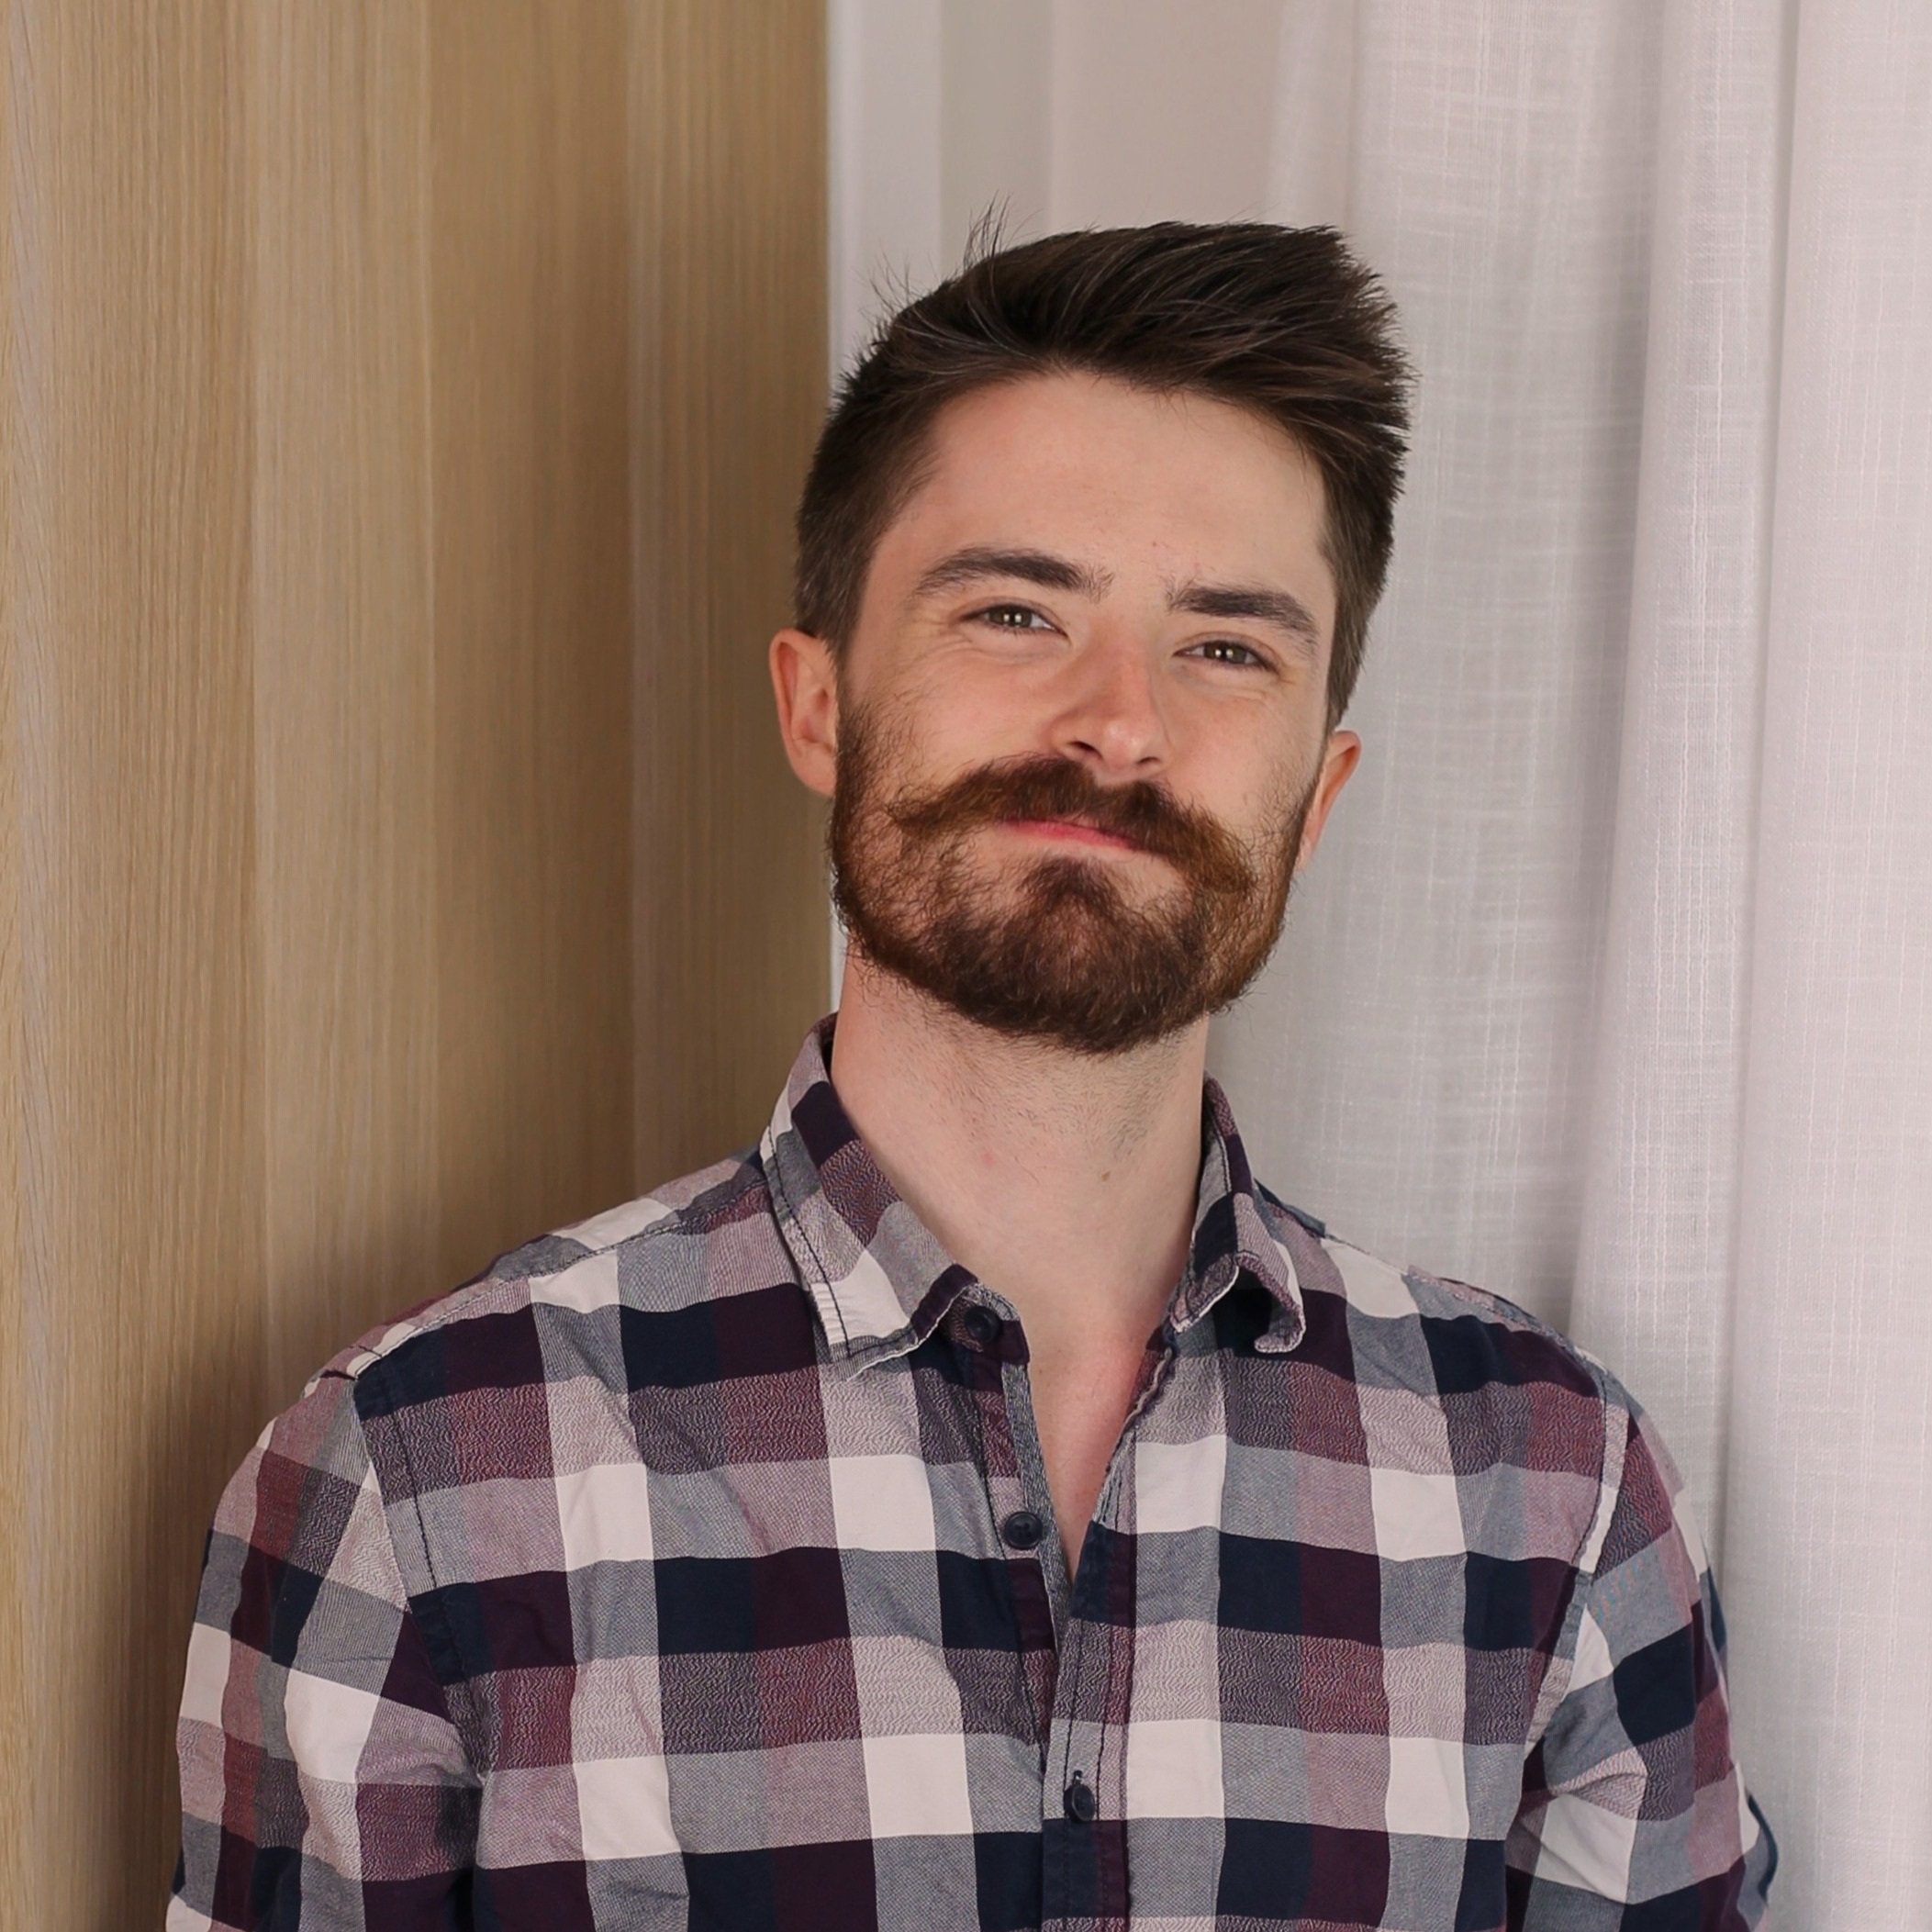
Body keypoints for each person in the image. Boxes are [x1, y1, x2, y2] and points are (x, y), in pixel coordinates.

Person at [170, 223, 1774, 1930]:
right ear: (818, 703)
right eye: (1016, 610)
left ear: (1318, 794)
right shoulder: (417, 1475)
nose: (1117, 720)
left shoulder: (1552, 1487)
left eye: (1227, 646)